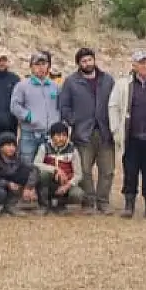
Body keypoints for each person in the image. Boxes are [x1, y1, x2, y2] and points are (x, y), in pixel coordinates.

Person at [59, 48, 116, 214]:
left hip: (105, 132)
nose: (87, 63)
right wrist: (73, 121)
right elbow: (64, 106)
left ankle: (103, 202)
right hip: (83, 133)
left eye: (90, 60)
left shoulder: (107, 80)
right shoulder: (71, 82)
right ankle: (88, 202)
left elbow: (115, 104)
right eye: (83, 61)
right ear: (78, 64)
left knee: (107, 170)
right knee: (84, 170)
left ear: (94, 60)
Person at [108, 50, 146, 220]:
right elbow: (113, 107)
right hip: (131, 137)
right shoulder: (123, 84)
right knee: (130, 172)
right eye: (141, 62)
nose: (144, 65)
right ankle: (129, 205)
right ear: (133, 65)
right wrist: (116, 130)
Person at [11, 50, 62, 164]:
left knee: (49, 168)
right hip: (30, 135)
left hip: (50, 136)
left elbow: (60, 107)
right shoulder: (22, 85)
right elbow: (15, 106)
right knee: (27, 166)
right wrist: (29, 116)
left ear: (48, 66)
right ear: (31, 67)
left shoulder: (55, 86)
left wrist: (58, 121)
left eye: (43, 64)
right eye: (37, 64)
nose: (41, 67)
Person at [33, 122, 85, 213]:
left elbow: (78, 174)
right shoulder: (44, 147)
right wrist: (56, 170)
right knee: (42, 174)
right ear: (52, 136)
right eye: (58, 135)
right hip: (49, 182)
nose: (61, 138)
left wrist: (67, 186)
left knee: (78, 194)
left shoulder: (73, 150)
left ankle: (61, 205)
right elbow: (36, 164)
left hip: (65, 183)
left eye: (64, 135)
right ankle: (44, 205)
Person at [0, 132, 39, 217]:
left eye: (13, 145)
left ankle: (10, 206)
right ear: (1, 146)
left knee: (25, 173)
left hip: (9, 178)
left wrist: (29, 187)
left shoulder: (17, 155)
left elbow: (33, 168)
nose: (12, 148)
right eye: (8, 145)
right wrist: (7, 183)